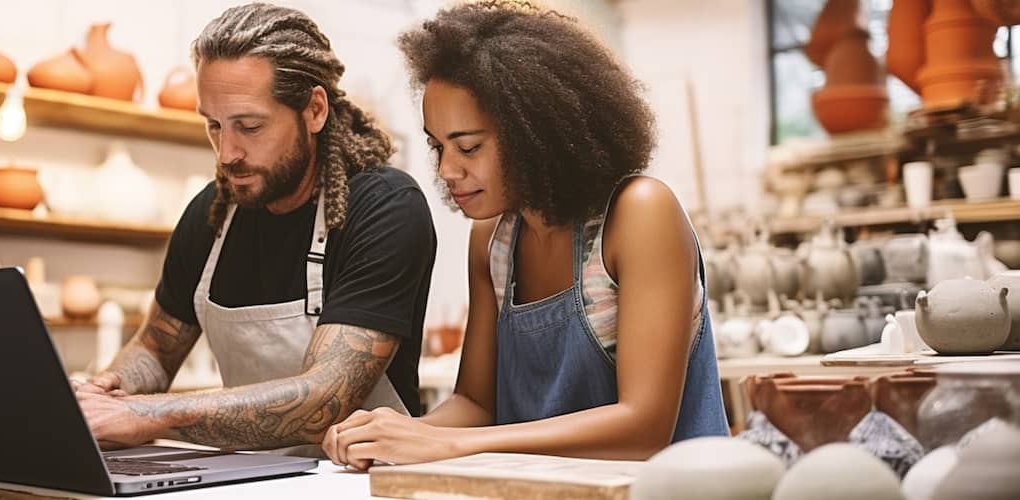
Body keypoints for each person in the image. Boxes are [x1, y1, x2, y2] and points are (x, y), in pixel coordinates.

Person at [322, 0, 729, 469]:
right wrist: (392, 432)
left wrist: (447, 445)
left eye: (468, 146)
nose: (448, 170)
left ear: (536, 132)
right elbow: (477, 405)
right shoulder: (494, 241)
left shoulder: (638, 214)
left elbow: (643, 429)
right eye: (438, 147)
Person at [72, 3, 437, 458]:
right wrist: (105, 394)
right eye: (214, 126)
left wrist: (145, 416)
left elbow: (325, 399)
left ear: (315, 110)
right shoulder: (212, 213)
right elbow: (155, 349)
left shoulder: (383, 207)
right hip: (245, 477)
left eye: (249, 126)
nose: (227, 153)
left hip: (359, 481)